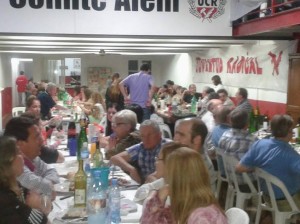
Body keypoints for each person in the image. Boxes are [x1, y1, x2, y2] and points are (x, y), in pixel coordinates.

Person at [140, 147, 227, 224]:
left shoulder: (204, 217)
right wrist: (158, 200)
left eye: (168, 173)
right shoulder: (184, 206)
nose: (166, 179)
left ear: (177, 179)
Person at [236, 114, 300, 210]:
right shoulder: (291, 155)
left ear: (271, 129)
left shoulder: (259, 144)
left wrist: (259, 168)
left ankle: (270, 216)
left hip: (266, 195)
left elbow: (239, 168)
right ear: (289, 133)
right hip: (286, 201)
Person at [4, 117, 60, 199]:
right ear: (20, 144)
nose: (42, 140)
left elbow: (50, 170)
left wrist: (47, 184)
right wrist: (47, 185)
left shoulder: (32, 158)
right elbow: (45, 187)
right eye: (37, 137)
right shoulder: (15, 167)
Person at [0, 136, 49, 224]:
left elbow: (45, 200)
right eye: (18, 152)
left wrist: (40, 206)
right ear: (8, 160)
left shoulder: (16, 185)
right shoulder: (5, 201)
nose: (23, 156)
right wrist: (38, 209)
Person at [110, 120, 170, 184]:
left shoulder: (168, 147)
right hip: (147, 186)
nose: (146, 139)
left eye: (149, 135)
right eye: (143, 136)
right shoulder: (141, 147)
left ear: (159, 135)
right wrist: (132, 169)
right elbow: (115, 158)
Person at [174, 118, 217, 190]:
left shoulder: (198, 167)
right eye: (176, 134)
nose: (175, 139)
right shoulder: (186, 157)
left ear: (197, 140)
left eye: (181, 135)